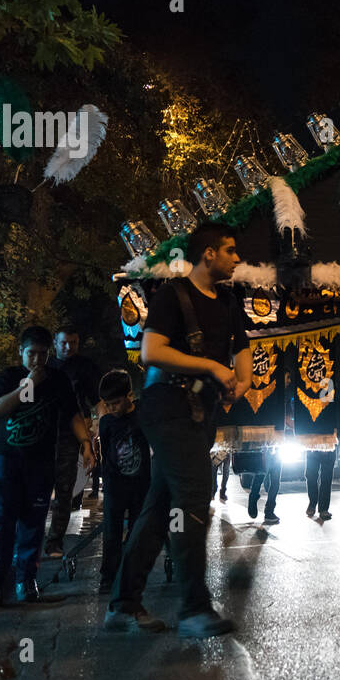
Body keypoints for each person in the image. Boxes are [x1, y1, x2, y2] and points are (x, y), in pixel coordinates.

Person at [104, 222, 250, 637]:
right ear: (209, 254)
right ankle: (193, 608)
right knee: (192, 496)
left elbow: (243, 354)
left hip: (200, 414)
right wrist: (209, 365)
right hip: (166, 406)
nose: (237, 258)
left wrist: (239, 383)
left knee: (156, 509)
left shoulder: (227, 301)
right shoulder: (172, 296)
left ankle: (123, 605)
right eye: (231, 250)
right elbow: (152, 352)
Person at [0, 327, 93, 608]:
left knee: (33, 523)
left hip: (40, 463)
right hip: (7, 461)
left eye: (42, 354)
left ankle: (27, 583)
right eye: (31, 353)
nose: (37, 360)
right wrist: (28, 384)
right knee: (2, 522)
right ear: (21, 352)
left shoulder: (58, 380)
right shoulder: (9, 377)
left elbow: (73, 414)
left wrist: (86, 442)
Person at [44, 326, 102, 556]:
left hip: (72, 434)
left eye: (74, 342)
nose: (69, 347)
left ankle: (54, 541)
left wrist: (93, 434)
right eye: (64, 342)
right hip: (43, 436)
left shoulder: (86, 367)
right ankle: (31, 536)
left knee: (65, 490)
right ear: (55, 344)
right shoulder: (44, 368)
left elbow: (98, 401)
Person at [96, 370, 154, 592]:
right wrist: (106, 486)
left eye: (116, 403)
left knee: (137, 532)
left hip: (141, 484)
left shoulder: (142, 414)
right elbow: (106, 455)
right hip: (115, 486)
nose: (111, 408)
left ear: (129, 395)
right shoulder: (107, 422)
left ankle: (129, 573)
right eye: (107, 404)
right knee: (111, 531)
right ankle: (108, 577)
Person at [245, 446, 281, 525]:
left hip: (277, 449)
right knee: (261, 476)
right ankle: (253, 498)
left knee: (275, 482)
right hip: (266, 449)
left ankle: (269, 511)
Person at [305, 448, 335, 521]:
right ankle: (312, 504)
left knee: (326, 478)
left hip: (329, 446)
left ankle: (323, 509)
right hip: (313, 445)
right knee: (311, 476)